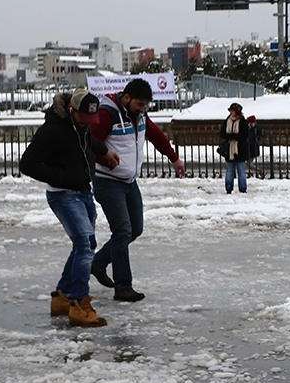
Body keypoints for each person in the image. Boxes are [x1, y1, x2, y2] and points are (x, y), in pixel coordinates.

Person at [19, 90, 121, 327]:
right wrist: (60, 178)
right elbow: (27, 164)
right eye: (86, 118)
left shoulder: (80, 126)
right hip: (63, 195)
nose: (90, 123)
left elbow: (86, 140)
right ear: (73, 111)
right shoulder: (52, 130)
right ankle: (78, 303)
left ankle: (62, 297)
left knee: (85, 244)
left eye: (92, 119)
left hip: (84, 192)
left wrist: (103, 151)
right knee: (85, 245)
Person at [87, 78, 186, 302]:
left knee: (135, 229)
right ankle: (123, 287)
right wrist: (104, 155)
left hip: (129, 181)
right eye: (140, 104)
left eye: (146, 105)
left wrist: (174, 158)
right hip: (107, 180)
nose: (144, 109)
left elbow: (155, 136)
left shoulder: (139, 115)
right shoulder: (107, 114)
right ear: (127, 98)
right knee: (122, 230)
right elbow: (88, 142)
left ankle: (99, 263)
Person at [219, 102, 250, 194]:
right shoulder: (227, 121)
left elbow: (244, 135)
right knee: (229, 170)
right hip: (229, 149)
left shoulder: (242, 121)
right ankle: (228, 188)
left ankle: (243, 188)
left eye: (232, 111)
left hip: (240, 149)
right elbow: (222, 134)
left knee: (241, 170)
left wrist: (233, 136)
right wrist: (231, 137)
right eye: (230, 111)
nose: (231, 113)